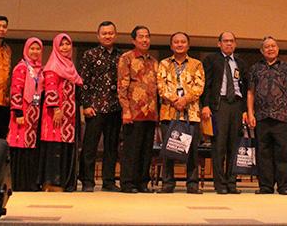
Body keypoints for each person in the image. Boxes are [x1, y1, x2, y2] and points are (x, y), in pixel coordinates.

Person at [247, 36, 287, 195]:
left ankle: (284, 186)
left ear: (277, 49)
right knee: (263, 153)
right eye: (267, 47)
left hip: (282, 116)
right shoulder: (255, 68)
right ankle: (266, 186)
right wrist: (250, 113)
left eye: (273, 46)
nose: (270, 49)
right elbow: (250, 93)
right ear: (261, 50)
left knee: (283, 153)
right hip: (261, 117)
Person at [157, 32, 205, 194]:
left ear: (188, 45)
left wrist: (185, 100)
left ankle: (192, 184)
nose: (179, 44)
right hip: (168, 112)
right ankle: (168, 183)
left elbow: (199, 86)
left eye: (183, 42)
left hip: (191, 113)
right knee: (169, 149)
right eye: (176, 42)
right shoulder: (163, 64)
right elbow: (160, 86)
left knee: (192, 151)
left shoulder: (196, 64)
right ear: (171, 46)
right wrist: (175, 100)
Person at [201, 31, 248, 195]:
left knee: (234, 146)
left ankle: (232, 182)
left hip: (236, 104)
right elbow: (206, 84)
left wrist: (245, 110)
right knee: (219, 146)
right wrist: (205, 105)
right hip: (219, 105)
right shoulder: (211, 59)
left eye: (232, 41)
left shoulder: (240, 62)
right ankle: (220, 183)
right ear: (219, 43)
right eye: (226, 41)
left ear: (235, 44)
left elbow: (245, 87)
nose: (229, 44)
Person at [78, 20, 123, 193]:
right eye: (104, 33)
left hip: (115, 107)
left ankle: (109, 181)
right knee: (90, 146)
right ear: (98, 36)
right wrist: (86, 105)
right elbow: (84, 82)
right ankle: (87, 181)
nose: (107, 36)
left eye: (111, 33)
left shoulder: (121, 56)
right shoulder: (90, 55)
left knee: (112, 147)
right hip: (95, 108)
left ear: (115, 35)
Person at [117, 25, 158, 193]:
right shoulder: (126, 58)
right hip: (133, 112)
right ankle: (128, 183)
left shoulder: (154, 61)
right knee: (131, 150)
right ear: (133, 40)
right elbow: (122, 86)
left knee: (146, 151)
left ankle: (142, 183)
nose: (144, 39)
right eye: (140, 36)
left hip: (150, 112)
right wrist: (125, 110)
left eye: (147, 36)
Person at [40, 33, 83, 192]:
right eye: (62, 45)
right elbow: (50, 89)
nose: (65, 48)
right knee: (55, 147)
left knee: (66, 147)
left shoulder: (70, 67)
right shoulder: (52, 66)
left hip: (69, 116)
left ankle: (66, 182)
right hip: (55, 114)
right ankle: (53, 183)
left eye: (68, 44)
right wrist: (56, 109)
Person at [7, 37, 44, 191]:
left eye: (38, 49)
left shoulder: (40, 69)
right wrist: (18, 112)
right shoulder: (21, 68)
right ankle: (19, 183)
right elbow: (15, 90)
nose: (35, 52)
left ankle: (30, 183)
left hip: (35, 113)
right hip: (21, 112)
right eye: (32, 49)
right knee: (20, 146)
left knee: (31, 148)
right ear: (26, 50)